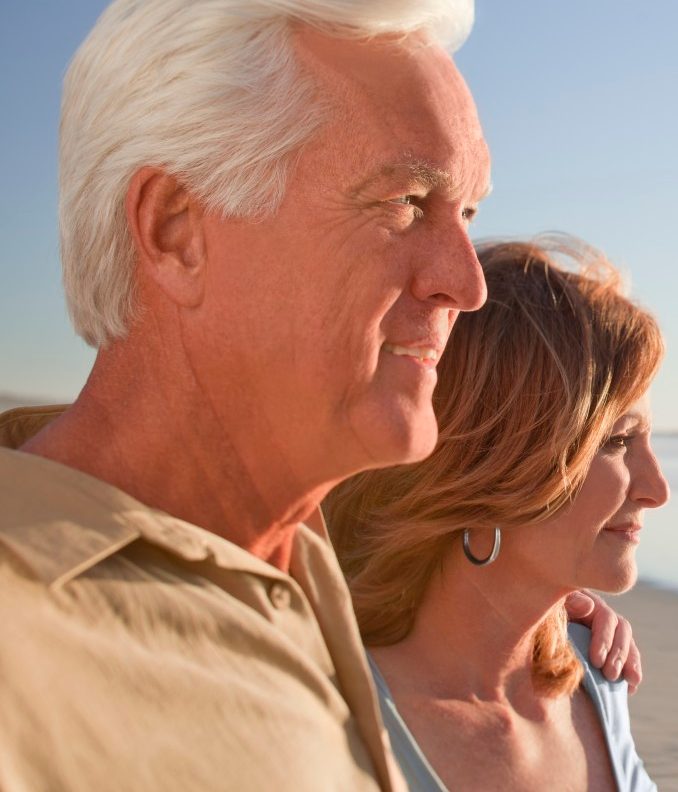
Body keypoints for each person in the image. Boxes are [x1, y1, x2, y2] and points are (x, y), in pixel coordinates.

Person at [0, 2, 637, 789]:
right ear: (176, 231)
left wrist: (532, 609)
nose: (467, 285)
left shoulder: (294, 562)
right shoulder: (25, 651)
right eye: (405, 203)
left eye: (467, 214)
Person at [326, 237, 669, 792]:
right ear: (497, 464)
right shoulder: (339, 717)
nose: (657, 489)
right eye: (617, 441)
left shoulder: (597, 679)